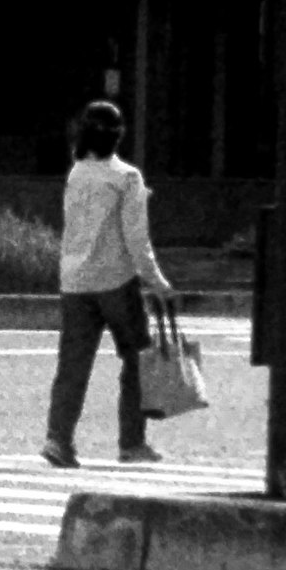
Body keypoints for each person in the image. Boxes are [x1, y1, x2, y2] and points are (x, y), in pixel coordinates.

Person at [46, 98, 177, 470]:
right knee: (137, 358)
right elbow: (137, 241)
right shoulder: (128, 178)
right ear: (120, 136)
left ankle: (58, 439)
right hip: (116, 282)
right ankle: (131, 442)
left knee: (72, 365)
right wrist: (158, 282)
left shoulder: (76, 173)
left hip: (74, 282)